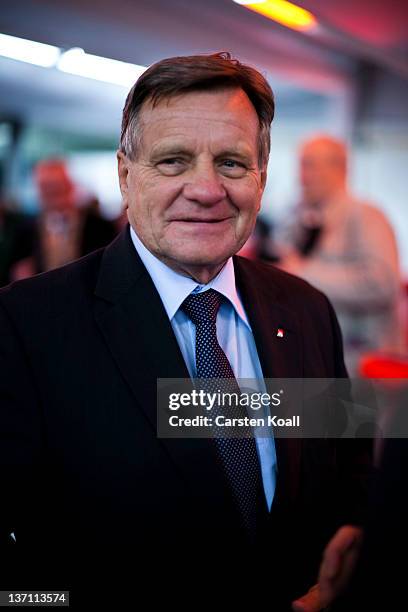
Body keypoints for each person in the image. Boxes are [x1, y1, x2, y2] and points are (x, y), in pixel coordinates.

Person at [0, 53, 369, 609]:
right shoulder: (26, 325)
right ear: (126, 176)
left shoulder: (307, 308)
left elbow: (348, 472)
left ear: (261, 179)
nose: (205, 189)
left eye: (231, 163)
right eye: (173, 161)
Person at [278, 136, 403, 374]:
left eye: (310, 165)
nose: (301, 176)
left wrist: (302, 273)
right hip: (318, 353)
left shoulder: (367, 215)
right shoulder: (303, 216)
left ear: (339, 169)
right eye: (301, 165)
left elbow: (383, 283)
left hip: (362, 361)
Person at [12, 159, 117, 279]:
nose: (52, 194)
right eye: (46, 188)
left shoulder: (100, 226)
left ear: (69, 186)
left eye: (57, 188)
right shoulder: (25, 230)